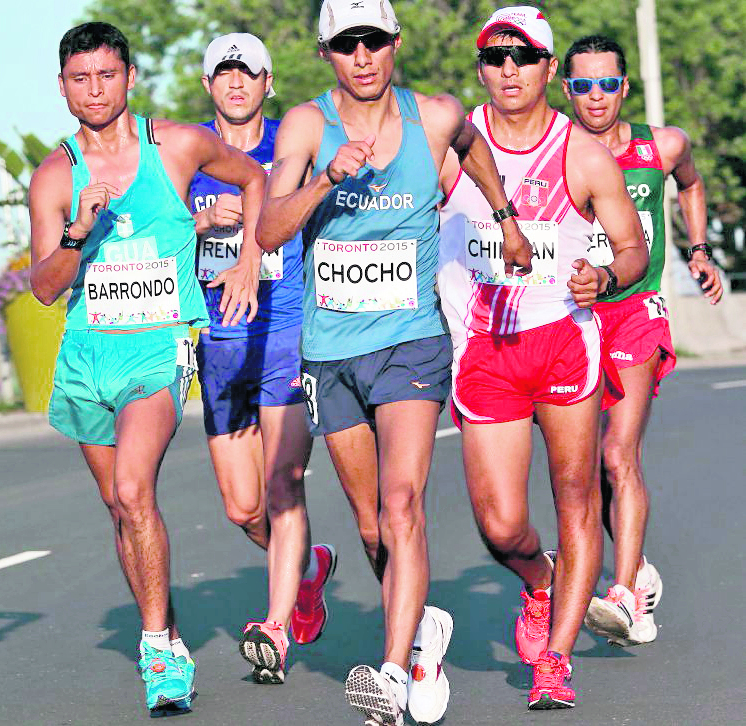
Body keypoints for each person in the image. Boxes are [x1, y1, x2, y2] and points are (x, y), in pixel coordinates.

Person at [259, 1, 528, 722]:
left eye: (372, 41)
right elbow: (266, 231)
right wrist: (323, 182)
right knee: (373, 524)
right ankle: (421, 638)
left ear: (393, 44)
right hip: (331, 352)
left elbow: (473, 147)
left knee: (401, 502)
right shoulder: (307, 127)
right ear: (325, 54)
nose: (362, 56)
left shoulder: (433, 116)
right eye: (345, 44)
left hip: (410, 342)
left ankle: (389, 671)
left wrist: (503, 220)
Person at [27, 21, 265, 715]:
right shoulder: (55, 173)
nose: (94, 90)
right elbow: (44, 286)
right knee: (116, 505)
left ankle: (159, 647)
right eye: (80, 78)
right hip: (86, 351)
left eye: (107, 75)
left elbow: (252, 177)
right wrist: (78, 232)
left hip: (159, 343)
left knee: (134, 490)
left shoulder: (177, 145)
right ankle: (162, 633)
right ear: (63, 87)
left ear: (130, 78)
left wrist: (248, 254)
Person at [437, 8, 648, 711]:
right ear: (479, 69)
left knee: (576, 498)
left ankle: (554, 661)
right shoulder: (449, 147)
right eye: (494, 58)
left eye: (522, 58)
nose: (508, 70)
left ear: (547, 70)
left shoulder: (580, 154)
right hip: (485, 350)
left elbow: (631, 249)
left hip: (562, 339)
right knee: (499, 525)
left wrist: (607, 279)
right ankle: (539, 580)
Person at [562, 35, 722, 649]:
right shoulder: (558, 151)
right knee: (582, 469)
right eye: (582, 85)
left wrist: (699, 249)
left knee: (616, 454)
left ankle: (624, 593)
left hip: (637, 312)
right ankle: (640, 570)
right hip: (575, 320)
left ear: (625, 86)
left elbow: (692, 182)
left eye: (607, 83)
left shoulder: (662, 145)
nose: (596, 96)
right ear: (567, 89)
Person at [188, 32, 333, 686]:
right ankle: (305, 569)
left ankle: (273, 627)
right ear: (208, 86)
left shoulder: (293, 144)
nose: (236, 83)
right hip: (218, 344)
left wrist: (260, 214)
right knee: (242, 508)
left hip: (284, 333)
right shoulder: (187, 153)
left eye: (247, 73)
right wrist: (194, 222)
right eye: (223, 73)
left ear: (266, 82)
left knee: (282, 486)